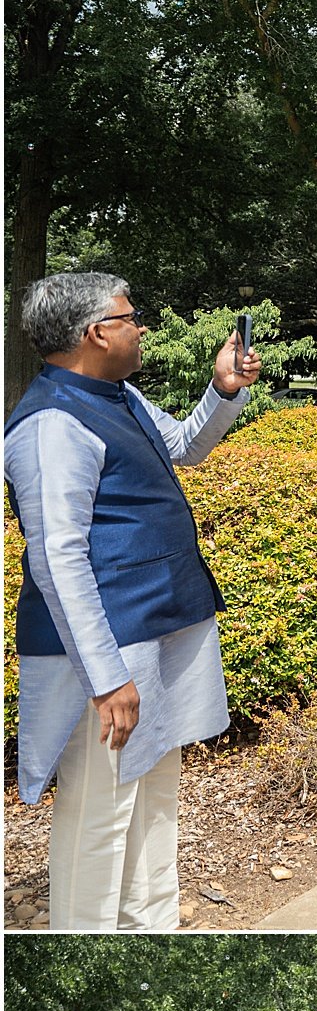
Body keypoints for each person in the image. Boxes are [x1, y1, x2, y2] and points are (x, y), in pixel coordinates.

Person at [5, 274, 260, 933]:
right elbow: (57, 560)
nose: (139, 327)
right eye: (130, 317)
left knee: (153, 800)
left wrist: (224, 390)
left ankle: (151, 928)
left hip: (159, 623)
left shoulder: (117, 395)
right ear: (96, 333)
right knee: (99, 816)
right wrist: (106, 675)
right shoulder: (50, 425)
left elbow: (185, 447)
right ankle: (85, 941)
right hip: (108, 648)